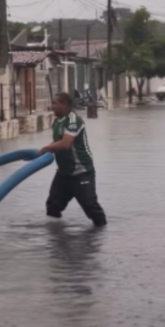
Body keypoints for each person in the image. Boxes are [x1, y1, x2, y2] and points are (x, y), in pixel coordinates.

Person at [39, 92, 108, 227]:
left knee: (90, 206)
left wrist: (46, 148)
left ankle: (100, 237)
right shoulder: (58, 121)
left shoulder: (73, 120)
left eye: (54, 103)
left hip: (81, 172)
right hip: (63, 173)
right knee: (53, 207)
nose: (51, 106)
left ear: (64, 104)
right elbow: (57, 142)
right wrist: (43, 151)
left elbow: (65, 144)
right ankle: (56, 238)